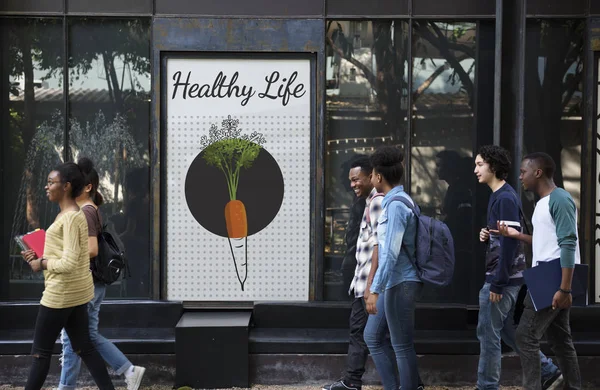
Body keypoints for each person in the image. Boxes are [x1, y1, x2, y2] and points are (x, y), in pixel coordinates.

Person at [474, 146, 562, 390]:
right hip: (506, 277)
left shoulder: (504, 197)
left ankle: (486, 386)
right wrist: (488, 234)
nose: (475, 170)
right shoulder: (501, 195)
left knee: (487, 335)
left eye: (480, 164)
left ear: (493, 166)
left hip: (502, 279)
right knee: (502, 330)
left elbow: (511, 244)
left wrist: (498, 282)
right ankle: (549, 372)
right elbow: (504, 236)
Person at [21, 162, 115, 390]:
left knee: (40, 354)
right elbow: (69, 253)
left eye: (51, 182)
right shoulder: (69, 214)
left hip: (60, 295)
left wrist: (41, 263)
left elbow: (71, 261)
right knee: (85, 347)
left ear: (66, 186)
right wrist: (39, 253)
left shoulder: (72, 217)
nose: (47, 186)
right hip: (75, 294)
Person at [56, 158, 146, 390]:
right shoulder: (90, 209)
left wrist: (62, 257)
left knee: (71, 339)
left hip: (86, 284)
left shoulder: (85, 212)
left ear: (87, 187)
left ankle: (65, 387)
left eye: (74, 184)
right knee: (88, 336)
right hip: (94, 284)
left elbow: (92, 249)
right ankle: (129, 370)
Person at [496, 152, 581, 390]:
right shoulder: (543, 202)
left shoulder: (560, 199)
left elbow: (568, 244)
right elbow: (547, 240)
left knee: (525, 336)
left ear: (538, 172)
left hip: (552, 277)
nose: (520, 176)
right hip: (548, 275)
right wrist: (516, 235)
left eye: (524, 172)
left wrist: (564, 288)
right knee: (561, 340)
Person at [364, 146, 423, 390]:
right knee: (372, 336)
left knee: (401, 345)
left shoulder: (396, 206)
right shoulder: (398, 200)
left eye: (372, 174)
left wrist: (374, 289)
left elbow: (389, 254)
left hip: (400, 282)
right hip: (395, 281)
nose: (370, 179)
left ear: (379, 177)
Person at [322, 156, 383, 390]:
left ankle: (352, 381)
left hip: (370, 284)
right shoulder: (364, 203)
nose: (353, 185)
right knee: (377, 335)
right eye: (350, 181)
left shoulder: (376, 203)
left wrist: (370, 287)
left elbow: (379, 246)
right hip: (363, 282)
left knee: (362, 332)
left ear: (372, 176)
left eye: (356, 179)